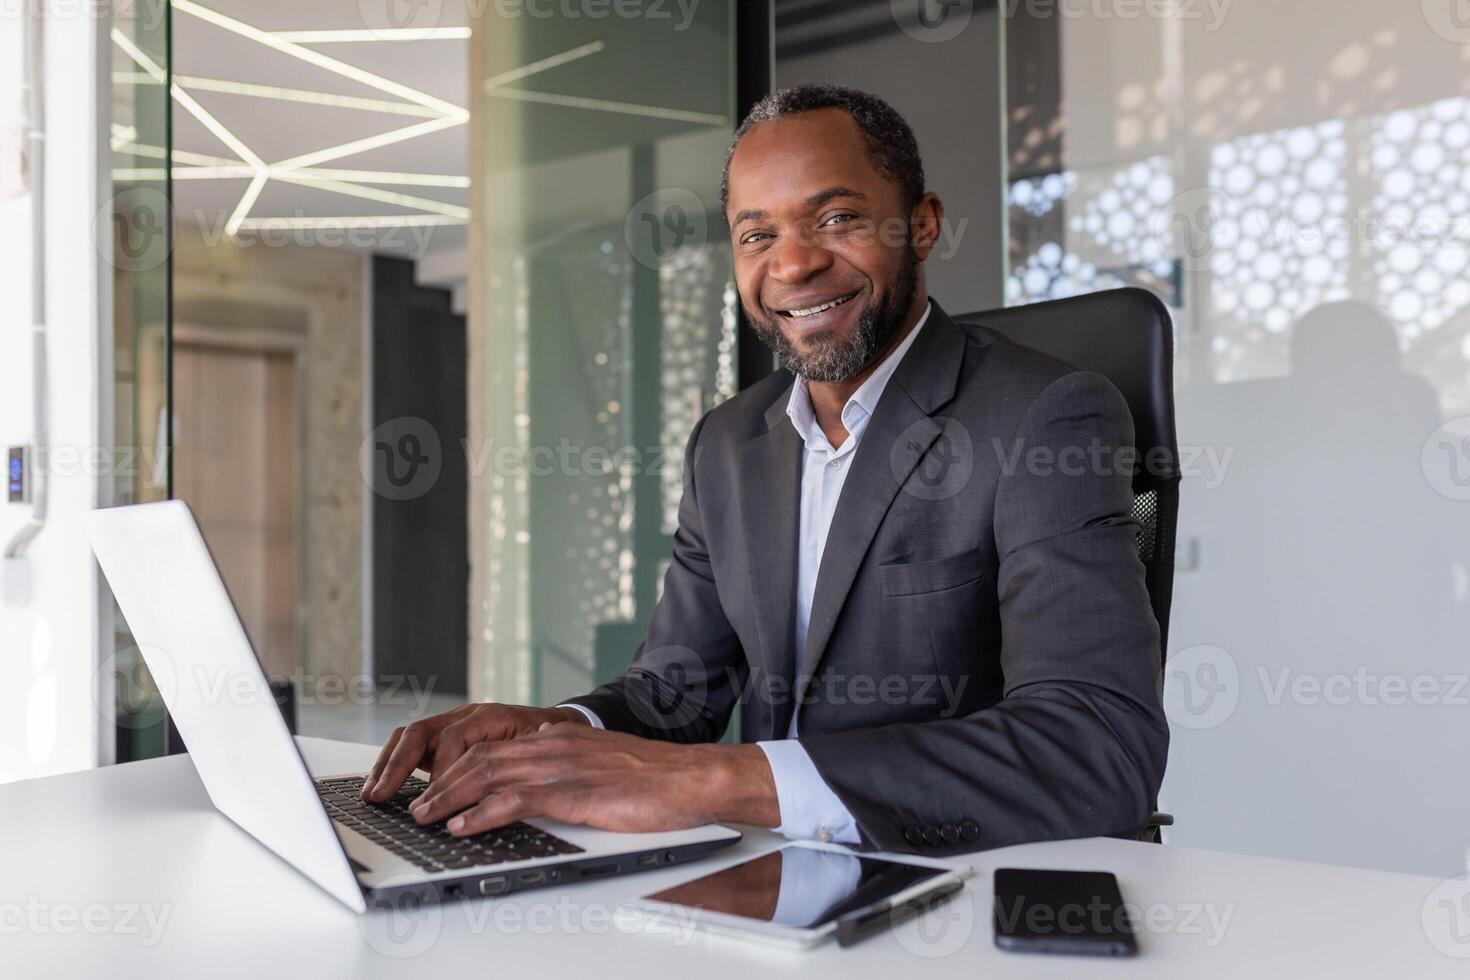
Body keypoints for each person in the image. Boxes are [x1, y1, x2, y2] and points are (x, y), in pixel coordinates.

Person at [362, 84, 1168, 854]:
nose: (793, 265)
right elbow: (677, 691)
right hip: (776, 887)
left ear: (922, 227)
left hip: (959, 889)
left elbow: (1096, 746)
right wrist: (561, 731)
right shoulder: (729, 443)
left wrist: (712, 779)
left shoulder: (1043, 416)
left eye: (838, 217)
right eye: (756, 235)